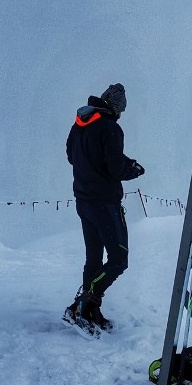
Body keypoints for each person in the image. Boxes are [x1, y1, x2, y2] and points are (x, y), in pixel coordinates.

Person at [63, 83, 145, 337]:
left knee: (94, 258)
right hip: (105, 203)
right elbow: (114, 168)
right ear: (116, 107)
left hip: (84, 201)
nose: (121, 115)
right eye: (121, 110)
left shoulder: (80, 124)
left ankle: (89, 312)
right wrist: (134, 169)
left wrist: (120, 163)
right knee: (119, 259)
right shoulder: (111, 128)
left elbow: (72, 156)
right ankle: (81, 304)